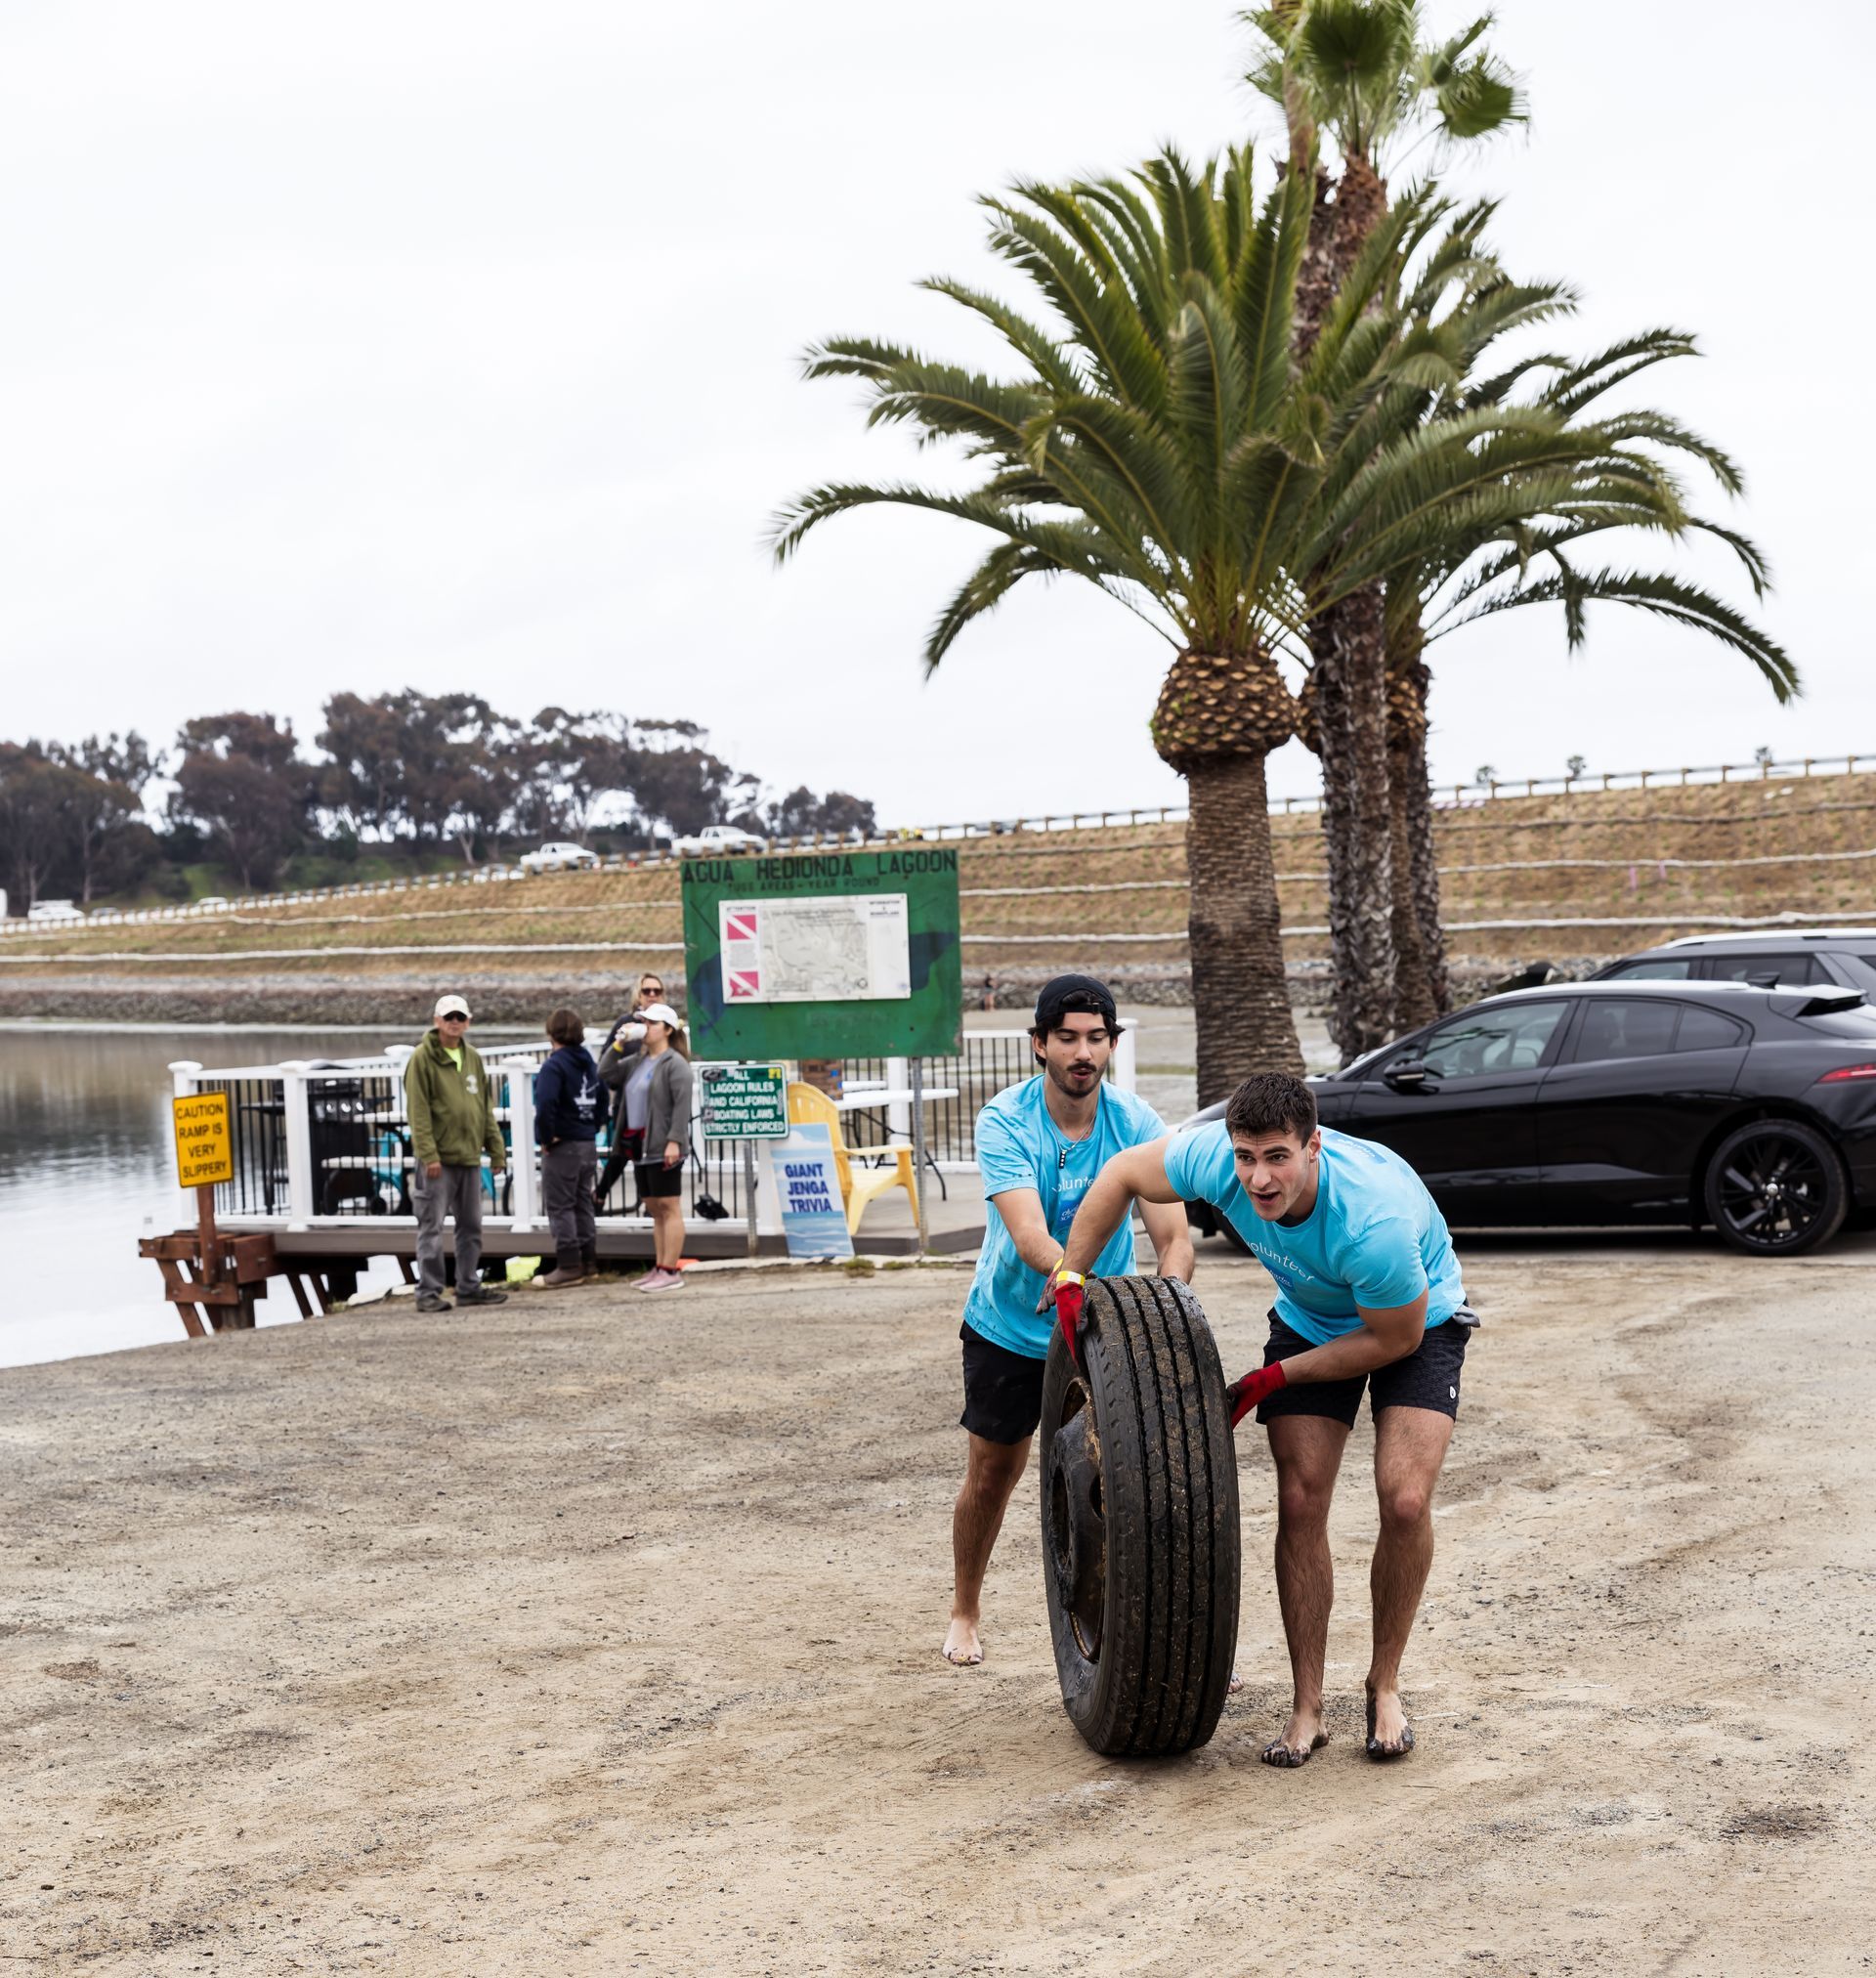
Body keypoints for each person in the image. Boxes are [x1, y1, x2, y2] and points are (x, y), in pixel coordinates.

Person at [1055, 1069, 1473, 1766]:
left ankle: (1384, 1684)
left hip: (1414, 1324)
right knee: (1301, 1499)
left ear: (1313, 1147)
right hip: (1311, 1318)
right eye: (1246, 1157)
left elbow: (1393, 1339)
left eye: (1278, 1157)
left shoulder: (1372, 1221)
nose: (1258, 1178)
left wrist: (1274, 1377)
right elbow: (1122, 1173)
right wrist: (1072, 1274)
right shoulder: (1214, 1161)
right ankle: (1307, 1706)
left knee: (1404, 1500)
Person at [943, 973, 1191, 1669]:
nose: (1083, 1052)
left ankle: (1144, 1634)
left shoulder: (1135, 1123)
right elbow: (1028, 1233)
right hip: (1009, 1325)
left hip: (1103, 1329)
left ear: (1111, 1044)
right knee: (993, 1475)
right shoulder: (1005, 1120)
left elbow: (1174, 1239)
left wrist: (1165, 1311)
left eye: (1096, 1038)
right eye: (1068, 1038)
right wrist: (1071, 1277)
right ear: (1039, 1045)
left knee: (1123, 1481)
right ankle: (965, 1609)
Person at [403, 993, 508, 1314]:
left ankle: (468, 1286)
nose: (454, 1022)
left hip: (469, 1158)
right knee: (431, 1226)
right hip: (438, 1161)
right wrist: (429, 1155)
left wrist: (496, 1150)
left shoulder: (472, 1057)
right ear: (437, 1021)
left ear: (468, 1022)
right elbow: (418, 1112)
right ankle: (428, 1291)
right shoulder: (421, 1058)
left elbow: (484, 1108)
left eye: (460, 1017)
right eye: (449, 1017)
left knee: (471, 1225)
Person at [533, 1007, 603, 1288]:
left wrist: (546, 1138)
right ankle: (589, 1262)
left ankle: (569, 1266)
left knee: (560, 1206)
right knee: (582, 1202)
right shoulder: (589, 1063)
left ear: (551, 1033)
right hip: (587, 1142)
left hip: (564, 1145)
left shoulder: (554, 1066)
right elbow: (602, 1099)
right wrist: (592, 1127)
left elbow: (546, 1103)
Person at [626, 1002, 693, 1292]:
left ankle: (670, 1269)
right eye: (645, 1022)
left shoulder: (675, 1064)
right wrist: (618, 1044)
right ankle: (659, 1266)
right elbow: (606, 1073)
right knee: (654, 1207)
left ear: (667, 1029)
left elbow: (682, 1105)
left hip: (664, 1144)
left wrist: (674, 1140)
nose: (646, 1027)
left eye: (652, 1023)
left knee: (669, 1205)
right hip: (641, 1144)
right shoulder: (640, 1061)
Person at [594, 970, 668, 1211]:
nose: (652, 994)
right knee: (623, 1153)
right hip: (628, 1104)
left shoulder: (667, 1024)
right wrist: (621, 1041)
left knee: (651, 1157)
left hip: (657, 1108)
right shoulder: (626, 1024)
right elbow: (606, 1066)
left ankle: (649, 1207)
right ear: (639, 994)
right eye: (647, 990)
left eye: (657, 991)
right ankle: (600, 1194)